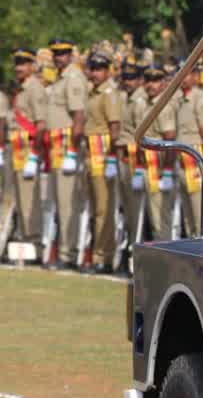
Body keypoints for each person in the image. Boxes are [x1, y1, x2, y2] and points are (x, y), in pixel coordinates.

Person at [45, 39, 87, 268]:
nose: (58, 57)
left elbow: (79, 117)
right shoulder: (60, 78)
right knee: (59, 202)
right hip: (56, 148)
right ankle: (62, 250)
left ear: (70, 54)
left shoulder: (72, 78)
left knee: (66, 203)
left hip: (66, 148)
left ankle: (67, 254)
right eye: (56, 53)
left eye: (63, 53)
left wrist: (72, 151)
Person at [81, 47, 122, 273]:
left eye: (100, 69)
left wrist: (113, 159)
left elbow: (115, 128)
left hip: (103, 153)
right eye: (93, 68)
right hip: (91, 153)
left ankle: (102, 257)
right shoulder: (93, 92)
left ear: (108, 71)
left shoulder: (109, 94)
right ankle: (97, 253)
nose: (95, 72)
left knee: (103, 210)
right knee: (95, 207)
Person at [8, 48, 46, 261]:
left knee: (30, 199)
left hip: (29, 151)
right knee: (21, 198)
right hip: (17, 150)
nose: (18, 68)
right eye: (17, 63)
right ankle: (25, 240)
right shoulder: (21, 88)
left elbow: (40, 125)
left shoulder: (35, 89)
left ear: (32, 66)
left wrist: (34, 154)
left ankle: (34, 244)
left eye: (23, 63)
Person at [174, 65, 203, 238]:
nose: (183, 77)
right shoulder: (180, 98)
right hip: (183, 161)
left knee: (200, 217)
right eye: (181, 73)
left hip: (196, 162)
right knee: (188, 218)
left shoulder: (200, 99)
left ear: (197, 77)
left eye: (188, 74)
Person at [115, 55, 148, 268]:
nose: (128, 80)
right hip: (123, 157)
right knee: (126, 210)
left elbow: (143, 136)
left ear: (139, 80)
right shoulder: (126, 98)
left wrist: (140, 168)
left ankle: (136, 258)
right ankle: (129, 253)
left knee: (137, 213)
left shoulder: (140, 101)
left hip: (135, 159)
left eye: (132, 77)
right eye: (125, 77)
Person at [140, 62, 178, 240]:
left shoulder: (163, 105)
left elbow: (169, 139)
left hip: (160, 167)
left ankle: (166, 257)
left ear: (164, 83)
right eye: (148, 79)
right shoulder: (149, 102)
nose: (150, 84)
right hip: (150, 165)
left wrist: (168, 171)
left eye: (155, 80)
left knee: (161, 218)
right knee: (154, 217)